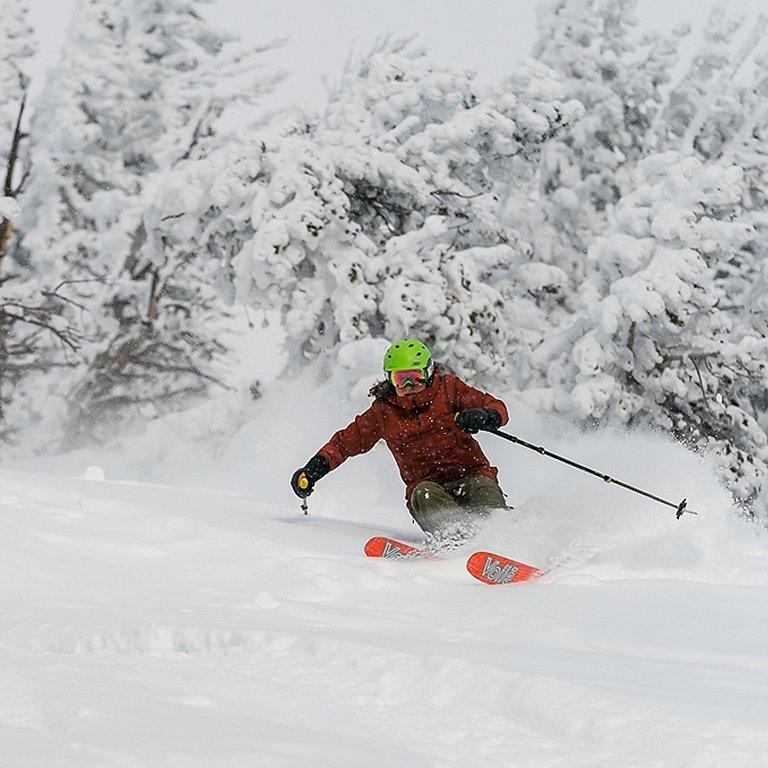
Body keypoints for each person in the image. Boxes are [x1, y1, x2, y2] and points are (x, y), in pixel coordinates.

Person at [290, 339, 510, 536]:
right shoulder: (384, 412)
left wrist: (485, 415)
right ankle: (458, 541)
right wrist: (312, 471)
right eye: (400, 379)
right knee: (424, 494)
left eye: (415, 377)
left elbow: (497, 408)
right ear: (390, 380)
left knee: (484, 492)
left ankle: (505, 538)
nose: (408, 386)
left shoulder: (449, 389)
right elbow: (344, 443)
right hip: (428, 488)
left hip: (471, 476)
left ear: (429, 372)